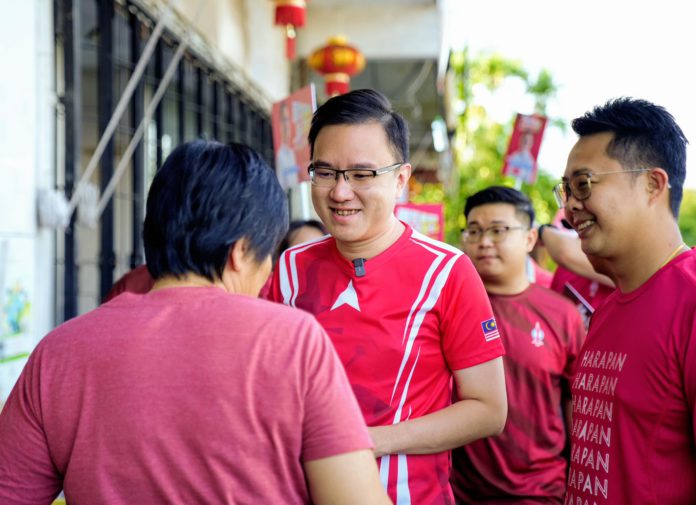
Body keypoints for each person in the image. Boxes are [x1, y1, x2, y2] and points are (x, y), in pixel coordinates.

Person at [0, 141, 391, 505]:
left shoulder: (61, 351)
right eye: (267, 257)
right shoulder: (292, 341)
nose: (267, 275)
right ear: (240, 252)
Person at [267, 89, 507, 504]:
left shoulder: (447, 272)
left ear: (400, 178)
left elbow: (488, 409)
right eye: (325, 172)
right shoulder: (289, 268)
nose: (340, 192)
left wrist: (368, 440)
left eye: (361, 174)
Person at [557, 97, 695, 504]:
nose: (570, 206)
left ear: (653, 184)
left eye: (584, 184)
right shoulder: (607, 310)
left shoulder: (689, 301)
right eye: (566, 190)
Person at [451, 186, 585, 504]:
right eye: (474, 231)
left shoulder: (562, 314)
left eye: (498, 230)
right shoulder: (446, 308)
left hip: (540, 493)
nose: (484, 241)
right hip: (458, 493)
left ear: (529, 238)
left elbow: (575, 403)